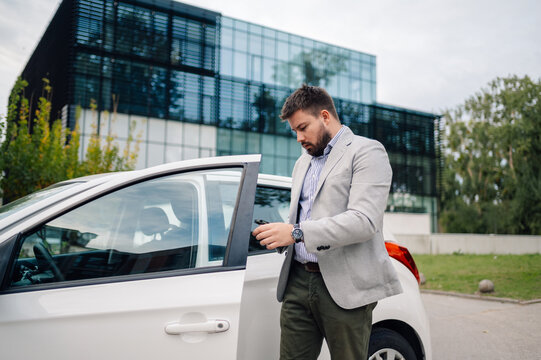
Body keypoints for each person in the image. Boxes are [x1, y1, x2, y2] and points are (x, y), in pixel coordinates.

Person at [252, 84, 403, 359]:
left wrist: (296, 233)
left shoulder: (367, 152)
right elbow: (304, 215)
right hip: (297, 280)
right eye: (294, 131)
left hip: (345, 285)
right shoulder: (302, 162)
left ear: (324, 116)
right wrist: (279, 236)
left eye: (302, 128)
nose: (298, 138)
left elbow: (364, 220)